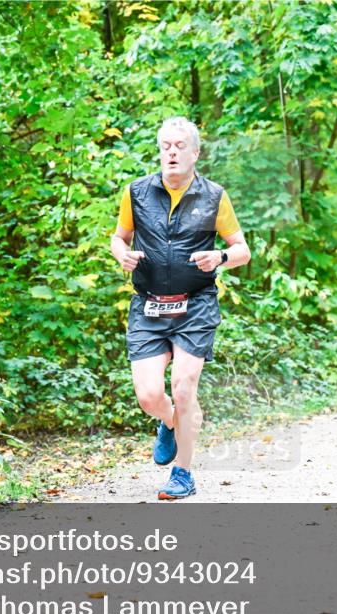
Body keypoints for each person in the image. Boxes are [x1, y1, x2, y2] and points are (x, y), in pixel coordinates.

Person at [110, 117, 250, 499]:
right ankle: (171, 422)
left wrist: (220, 256)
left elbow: (242, 250)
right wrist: (122, 254)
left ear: (195, 153)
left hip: (196, 305)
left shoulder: (214, 196)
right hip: (149, 306)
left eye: (179, 146)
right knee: (149, 396)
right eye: (166, 146)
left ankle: (183, 474)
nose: (171, 152)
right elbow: (118, 238)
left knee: (184, 387)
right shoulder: (136, 193)